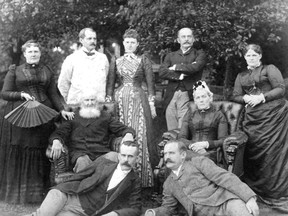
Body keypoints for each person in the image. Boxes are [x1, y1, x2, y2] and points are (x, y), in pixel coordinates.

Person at [0, 40, 74, 204]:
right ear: (25, 54)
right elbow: (4, 93)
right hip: (21, 117)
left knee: (39, 150)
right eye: (30, 52)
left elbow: (53, 93)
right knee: (24, 149)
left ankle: (39, 194)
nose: (33, 54)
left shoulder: (47, 71)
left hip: (43, 116)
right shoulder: (15, 71)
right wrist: (21, 95)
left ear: (40, 54)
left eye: (36, 52)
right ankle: (20, 195)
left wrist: (61, 109)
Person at [231, 44, 288, 205]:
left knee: (272, 153)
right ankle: (254, 188)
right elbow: (235, 95)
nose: (251, 58)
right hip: (253, 119)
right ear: (244, 57)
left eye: (254, 55)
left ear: (260, 56)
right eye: (248, 56)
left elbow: (280, 89)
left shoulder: (269, 69)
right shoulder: (241, 75)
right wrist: (245, 98)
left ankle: (273, 190)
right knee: (253, 150)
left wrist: (262, 97)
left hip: (274, 117)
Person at [25, 140, 141, 216]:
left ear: (136, 158)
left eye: (130, 156)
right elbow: (82, 174)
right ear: (119, 156)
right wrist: (61, 187)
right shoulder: (105, 164)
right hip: (68, 195)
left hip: (83, 212)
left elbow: (136, 209)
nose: (126, 159)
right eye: (124, 155)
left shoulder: (134, 181)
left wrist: (115, 213)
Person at [145, 140, 259, 216]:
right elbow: (168, 208)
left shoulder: (198, 162)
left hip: (225, 204)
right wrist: (153, 212)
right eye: (165, 154)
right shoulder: (168, 184)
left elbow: (224, 177)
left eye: (171, 153)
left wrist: (249, 197)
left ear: (183, 155)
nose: (167, 157)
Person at [106, 29, 158, 187]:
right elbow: (110, 83)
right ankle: (120, 180)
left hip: (138, 100)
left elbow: (150, 84)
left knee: (140, 135)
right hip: (120, 100)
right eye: (127, 42)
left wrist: (152, 103)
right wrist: (109, 101)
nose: (129, 45)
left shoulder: (143, 60)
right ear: (123, 43)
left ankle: (143, 180)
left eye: (133, 42)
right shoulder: (116, 60)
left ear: (137, 44)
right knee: (122, 134)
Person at [49, 91, 135, 173]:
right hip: (81, 155)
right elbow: (59, 133)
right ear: (81, 102)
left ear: (97, 102)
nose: (90, 103)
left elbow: (122, 129)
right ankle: (88, 186)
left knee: (114, 156)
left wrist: (128, 134)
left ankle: (102, 185)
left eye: (92, 100)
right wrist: (56, 141)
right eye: (87, 100)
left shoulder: (105, 116)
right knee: (82, 162)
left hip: (102, 153)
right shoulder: (73, 117)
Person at [159, 27, 207, 131]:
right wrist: (180, 75)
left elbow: (195, 67)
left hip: (188, 95)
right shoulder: (170, 56)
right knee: (171, 130)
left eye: (189, 36)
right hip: (171, 96)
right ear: (178, 40)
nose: (186, 39)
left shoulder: (199, 54)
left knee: (183, 130)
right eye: (183, 36)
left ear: (193, 39)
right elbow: (162, 72)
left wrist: (175, 67)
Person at [178, 80, 228, 164]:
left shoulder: (219, 115)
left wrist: (206, 144)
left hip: (210, 152)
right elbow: (181, 137)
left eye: (204, 97)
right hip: (191, 149)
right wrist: (193, 146)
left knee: (194, 160)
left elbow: (223, 140)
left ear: (210, 98)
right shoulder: (189, 114)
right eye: (198, 98)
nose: (201, 100)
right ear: (195, 101)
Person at [58, 27, 109, 107]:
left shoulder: (103, 59)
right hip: (76, 105)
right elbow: (63, 84)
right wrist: (67, 105)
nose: (93, 41)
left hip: (98, 106)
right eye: (89, 38)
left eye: (94, 39)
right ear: (81, 40)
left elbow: (105, 78)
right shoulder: (71, 59)